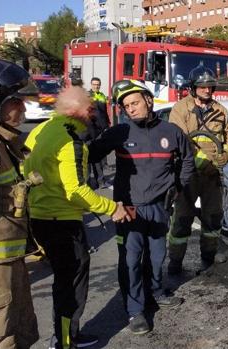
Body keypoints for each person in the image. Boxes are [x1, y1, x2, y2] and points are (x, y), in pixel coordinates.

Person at [23, 86, 131, 349]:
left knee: (64, 281)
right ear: (74, 110)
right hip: (62, 222)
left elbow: (25, 162)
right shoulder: (71, 140)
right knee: (71, 284)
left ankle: (65, 336)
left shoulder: (41, 130)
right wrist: (112, 207)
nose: (92, 112)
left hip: (40, 215)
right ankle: (65, 340)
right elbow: (76, 190)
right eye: (88, 108)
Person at [89, 79, 195, 335]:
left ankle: (156, 292)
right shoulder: (120, 133)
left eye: (134, 103)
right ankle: (135, 310)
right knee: (132, 260)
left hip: (160, 207)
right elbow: (89, 154)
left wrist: (178, 188)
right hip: (129, 209)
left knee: (158, 256)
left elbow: (188, 160)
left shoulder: (171, 132)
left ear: (148, 100)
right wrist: (81, 131)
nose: (131, 109)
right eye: (126, 106)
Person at [167, 67, 228, 275]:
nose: (206, 90)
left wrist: (227, 154)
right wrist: (198, 161)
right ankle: (175, 261)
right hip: (188, 174)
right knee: (182, 218)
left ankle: (209, 255)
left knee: (213, 216)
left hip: (212, 173)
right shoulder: (180, 109)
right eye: (201, 86)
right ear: (193, 88)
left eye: (209, 86)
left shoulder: (220, 110)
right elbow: (178, 139)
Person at [0, 59, 39, 349]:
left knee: (20, 325)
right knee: (1, 332)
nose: (24, 109)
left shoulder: (5, 141)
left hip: (10, 258)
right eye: (16, 102)